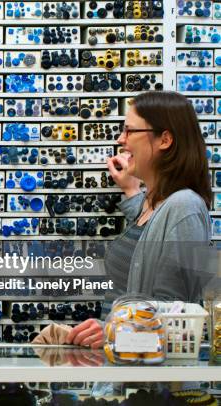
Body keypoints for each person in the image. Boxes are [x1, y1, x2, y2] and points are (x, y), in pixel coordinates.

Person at [65, 91, 213, 349]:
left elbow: (177, 315)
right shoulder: (154, 204)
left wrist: (111, 330)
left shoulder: (184, 207)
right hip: (128, 371)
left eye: (129, 131)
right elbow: (149, 241)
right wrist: (133, 192)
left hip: (155, 384)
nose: (121, 140)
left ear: (164, 139)